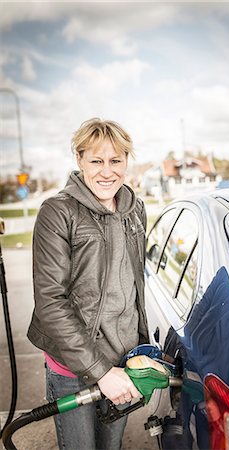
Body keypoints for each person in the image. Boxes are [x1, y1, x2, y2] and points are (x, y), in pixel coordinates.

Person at [27, 118, 149, 450]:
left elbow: (135, 286)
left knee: (111, 446)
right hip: (72, 368)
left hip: (123, 364)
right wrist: (101, 372)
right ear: (80, 160)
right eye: (96, 160)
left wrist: (143, 351)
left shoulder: (135, 209)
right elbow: (51, 301)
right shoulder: (57, 212)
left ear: (126, 161)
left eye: (116, 160)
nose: (107, 171)